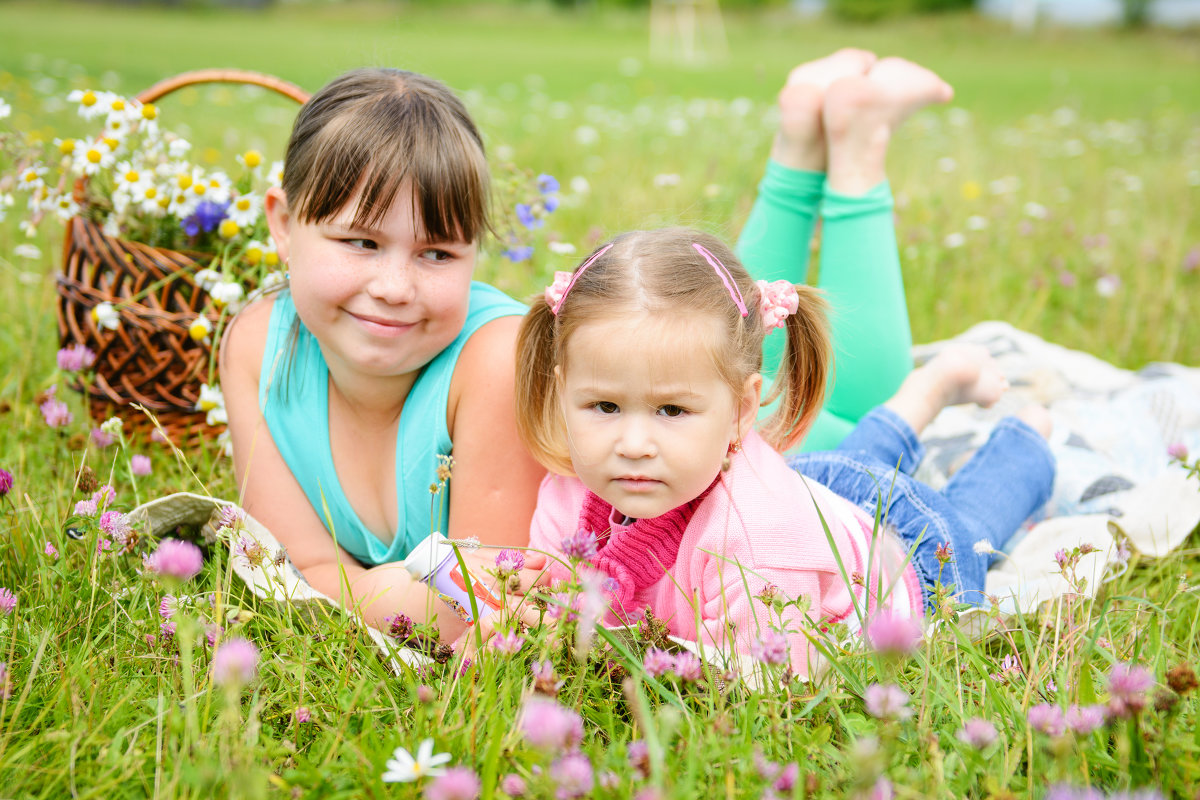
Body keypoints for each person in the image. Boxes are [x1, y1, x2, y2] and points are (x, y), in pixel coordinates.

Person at [219, 52, 951, 643]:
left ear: (475, 251)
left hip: (742, 447)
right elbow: (302, 564)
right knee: (741, 327)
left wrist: (368, 591)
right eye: (360, 242)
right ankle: (803, 138)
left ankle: (856, 147)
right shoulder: (257, 346)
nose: (394, 286)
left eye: (437, 254)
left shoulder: (492, 364)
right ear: (282, 224)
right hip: (667, 421)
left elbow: (488, 609)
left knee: (858, 399)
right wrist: (390, 591)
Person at [518, 228, 1056, 676]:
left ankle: (1027, 438)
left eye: (671, 411)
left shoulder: (755, 547)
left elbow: (772, 684)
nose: (633, 446)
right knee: (860, 465)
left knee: (974, 520)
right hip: (819, 489)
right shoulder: (568, 493)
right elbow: (549, 607)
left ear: (742, 409)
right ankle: (930, 390)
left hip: (914, 552)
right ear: (564, 390)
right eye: (605, 407)